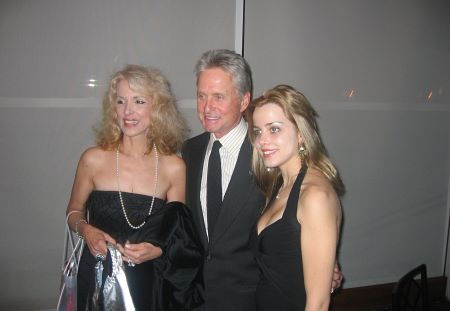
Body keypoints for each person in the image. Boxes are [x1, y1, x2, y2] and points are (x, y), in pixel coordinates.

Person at [182, 49, 343, 311]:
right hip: (197, 299)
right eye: (201, 96)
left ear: (244, 100)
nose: (207, 107)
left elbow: (302, 223)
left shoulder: (271, 157)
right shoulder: (189, 151)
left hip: (252, 301)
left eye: (218, 97)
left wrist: (324, 266)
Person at [66, 64, 203, 311]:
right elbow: (73, 211)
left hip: (147, 283)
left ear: (157, 108)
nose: (128, 111)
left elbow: (175, 233)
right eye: (121, 102)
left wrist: (157, 251)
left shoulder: (174, 167)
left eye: (139, 101)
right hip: (97, 274)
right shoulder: (93, 159)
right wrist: (86, 230)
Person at [247, 84, 344, 310]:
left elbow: (318, 304)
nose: (262, 141)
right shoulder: (280, 184)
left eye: (274, 129)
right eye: (258, 131)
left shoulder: (315, 196)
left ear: (301, 134)